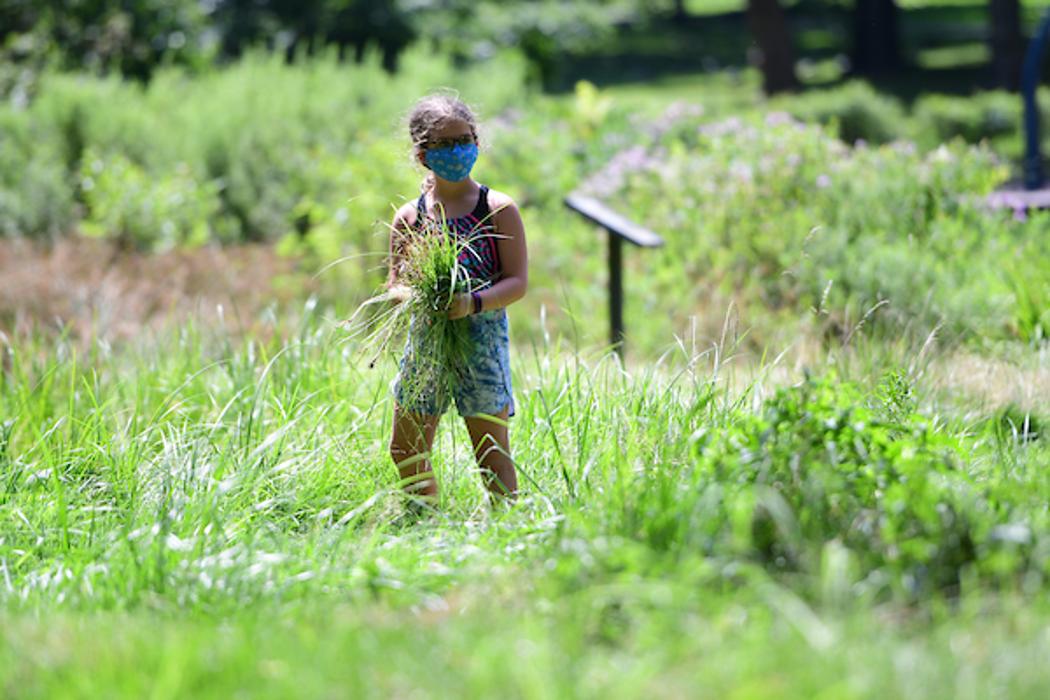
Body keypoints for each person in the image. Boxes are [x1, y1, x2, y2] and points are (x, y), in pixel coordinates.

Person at [385, 92, 528, 504]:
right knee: (406, 449)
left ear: (477, 142)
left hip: (482, 343)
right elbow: (394, 284)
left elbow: (517, 282)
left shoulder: (497, 209)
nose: (457, 150)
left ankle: (508, 525)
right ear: (423, 154)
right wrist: (418, 296)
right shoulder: (411, 216)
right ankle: (426, 520)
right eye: (444, 144)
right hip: (427, 343)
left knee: (491, 452)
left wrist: (472, 303)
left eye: (464, 140)